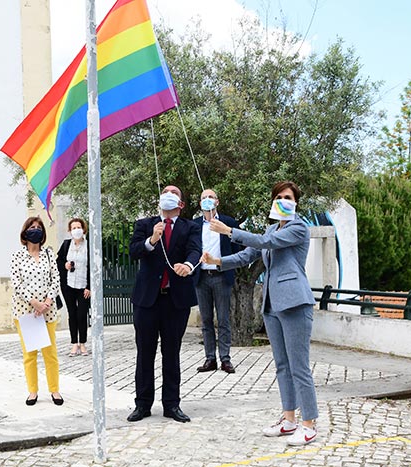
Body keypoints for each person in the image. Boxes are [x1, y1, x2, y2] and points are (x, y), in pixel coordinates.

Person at [203, 181, 319, 446]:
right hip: (271, 304)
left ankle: (309, 424)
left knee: (299, 366)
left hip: (295, 301)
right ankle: (289, 420)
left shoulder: (299, 228)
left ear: (296, 202)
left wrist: (229, 230)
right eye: (279, 196)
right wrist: (218, 261)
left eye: (288, 197)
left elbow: (267, 242)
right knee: (282, 365)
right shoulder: (270, 228)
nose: (283, 200)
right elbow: (248, 254)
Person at [127, 185, 202, 423]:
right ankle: (142, 405)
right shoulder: (145, 224)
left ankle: (172, 404)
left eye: (174, 192)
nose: (168, 194)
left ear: (181, 203)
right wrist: (151, 240)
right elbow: (134, 251)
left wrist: (188, 266)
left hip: (175, 301)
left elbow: (195, 251)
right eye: (165, 191)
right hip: (147, 300)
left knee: (172, 354)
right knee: (144, 353)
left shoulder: (190, 226)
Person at [10, 216, 64, 406]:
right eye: (32, 227)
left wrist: (47, 301)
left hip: (47, 311)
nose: (35, 230)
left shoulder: (49, 254)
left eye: (38, 227)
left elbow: (55, 279)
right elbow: (16, 283)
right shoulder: (17, 256)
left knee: (50, 352)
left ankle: (54, 390)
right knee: (30, 354)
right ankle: (32, 391)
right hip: (26, 311)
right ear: (25, 232)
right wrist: (34, 303)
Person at [193, 188, 240, 374]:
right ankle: (209, 358)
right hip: (202, 277)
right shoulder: (194, 225)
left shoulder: (227, 222)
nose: (207, 200)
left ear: (217, 201)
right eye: (204, 197)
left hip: (221, 275)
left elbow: (237, 248)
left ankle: (225, 359)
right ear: (200, 203)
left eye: (210, 197)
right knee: (206, 320)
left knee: (223, 319)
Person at [56, 218, 91, 357]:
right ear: (69, 231)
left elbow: (93, 267)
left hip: (83, 286)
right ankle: (74, 344)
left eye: (79, 227)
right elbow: (58, 262)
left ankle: (83, 343)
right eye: (74, 228)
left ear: (83, 229)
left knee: (82, 314)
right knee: (72, 314)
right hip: (68, 285)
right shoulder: (66, 245)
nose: (77, 230)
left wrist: (89, 286)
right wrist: (65, 265)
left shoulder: (89, 246)